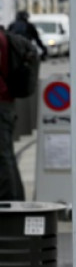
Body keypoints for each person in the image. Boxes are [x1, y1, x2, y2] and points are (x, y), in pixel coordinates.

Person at [0, 30, 25, 200]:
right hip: (6, 103)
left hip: (1, 103)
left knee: (3, 156)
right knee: (6, 154)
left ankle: (9, 201)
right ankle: (15, 200)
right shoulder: (3, 36)